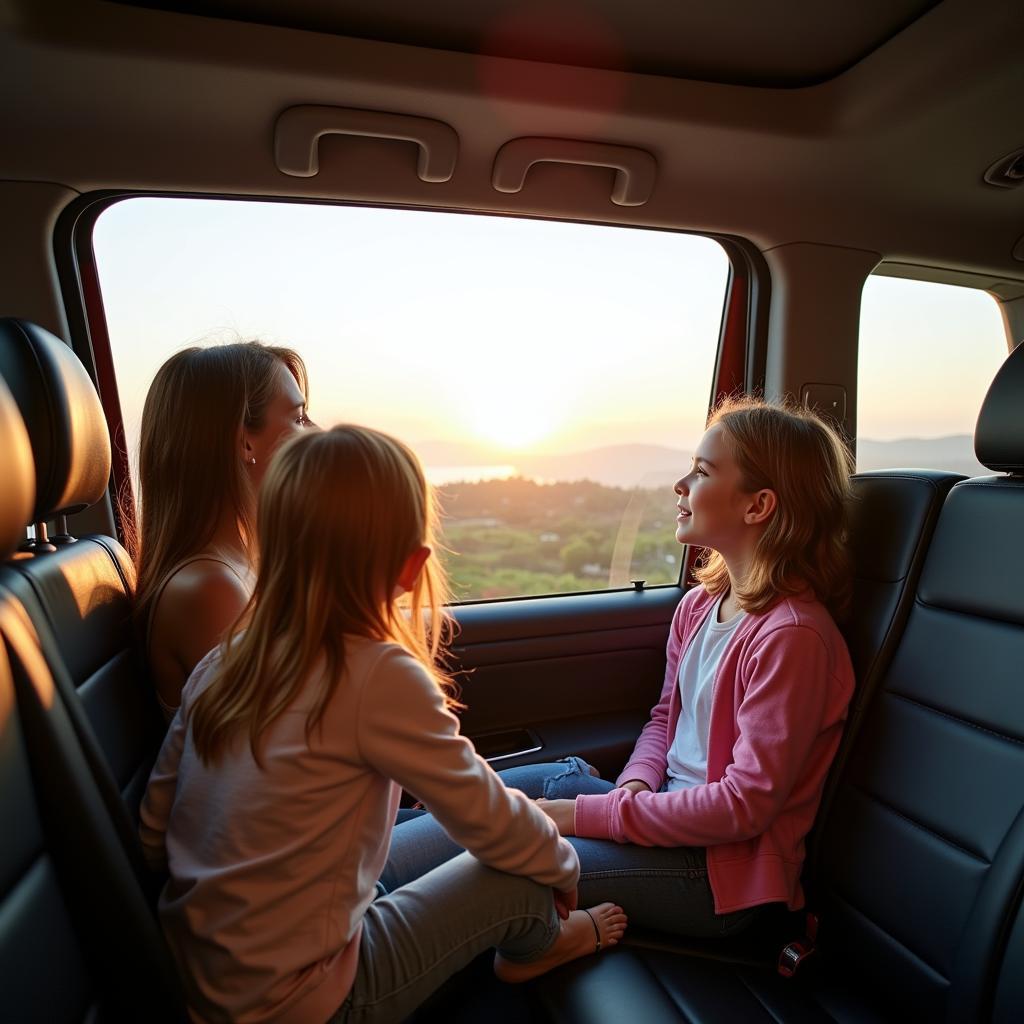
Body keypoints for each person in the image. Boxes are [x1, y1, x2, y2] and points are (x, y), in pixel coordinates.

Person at [138, 425, 627, 1024]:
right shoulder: (377, 671)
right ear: (410, 566)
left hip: (206, 976)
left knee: (502, 824)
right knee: (520, 872)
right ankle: (541, 945)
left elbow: (154, 825)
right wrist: (564, 865)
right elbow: (485, 816)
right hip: (305, 1000)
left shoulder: (226, 655)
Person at [383, 396, 857, 938]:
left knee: (515, 856)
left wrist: (583, 817)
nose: (681, 484)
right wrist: (633, 785)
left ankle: (364, 934)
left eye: (701, 472)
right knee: (498, 798)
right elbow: (664, 720)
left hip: (718, 872)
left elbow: (742, 807)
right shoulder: (701, 607)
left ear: (758, 506)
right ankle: (364, 865)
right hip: (664, 816)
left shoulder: (792, 638)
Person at [133, 340, 313, 720]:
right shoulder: (210, 589)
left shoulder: (243, 566)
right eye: (298, 419)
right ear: (245, 440)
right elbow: (276, 747)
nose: (316, 433)